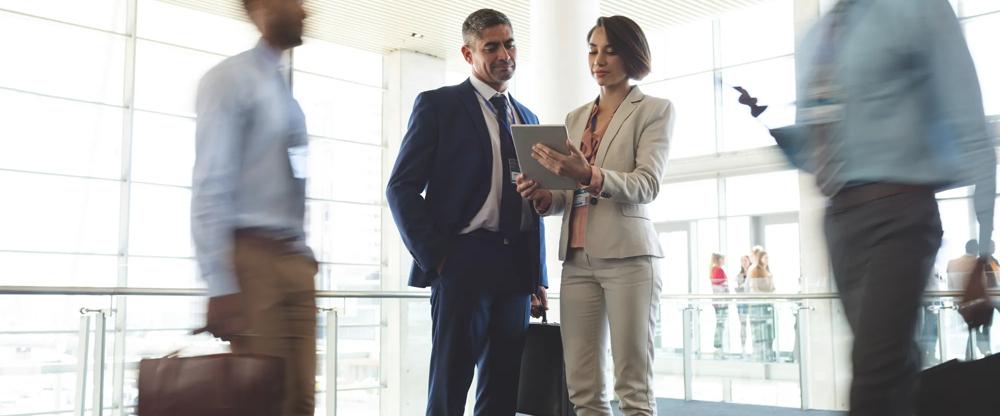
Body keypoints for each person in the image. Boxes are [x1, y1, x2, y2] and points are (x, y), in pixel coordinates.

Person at [738, 1, 996, 414]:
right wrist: (772, 124)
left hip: (900, 214)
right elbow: (819, 145)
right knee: (892, 374)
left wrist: (983, 254)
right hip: (839, 220)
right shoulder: (819, 36)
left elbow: (972, 129)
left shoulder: (919, 9)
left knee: (873, 376)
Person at [385, 9, 547, 416]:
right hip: (461, 262)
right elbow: (401, 187)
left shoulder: (528, 118)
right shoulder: (439, 106)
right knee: (450, 384)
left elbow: (535, 203)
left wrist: (537, 275)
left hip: (514, 269)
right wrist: (438, 257)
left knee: (503, 388)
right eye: (490, 47)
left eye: (509, 43)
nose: (503, 54)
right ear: (467, 53)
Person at [517, 15, 672, 416]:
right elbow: (567, 195)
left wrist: (588, 173)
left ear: (632, 55)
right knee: (582, 388)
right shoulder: (575, 118)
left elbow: (647, 185)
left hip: (629, 259)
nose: (598, 60)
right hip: (577, 260)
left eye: (610, 50)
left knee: (632, 385)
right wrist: (543, 198)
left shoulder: (653, 110)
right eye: (592, 50)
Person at [190, 0, 315, 414]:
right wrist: (220, 284)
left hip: (294, 261)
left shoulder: (282, 89)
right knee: (262, 400)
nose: (305, 10)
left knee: (300, 400)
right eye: (294, 1)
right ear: (260, 7)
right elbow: (211, 183)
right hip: (253, 262)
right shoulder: (230, 80)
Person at [747, 247, 776, 362]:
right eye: (765, 257)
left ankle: (768, 354)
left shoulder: (766, 270)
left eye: (768, 257)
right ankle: (760, 356)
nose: (767, 259)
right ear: (760, 258)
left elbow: (772, 288)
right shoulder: (755, 270)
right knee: (759, 331)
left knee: (769, 331)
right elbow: (755, 288)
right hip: (759, 304)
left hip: (768, 304)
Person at [709, 253, 730, 353]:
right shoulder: (719, 270)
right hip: (721, 301)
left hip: (717, 301)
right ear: (719, 260)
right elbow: (723, 286)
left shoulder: (713, 270)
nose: (724, 261)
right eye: (723, 259)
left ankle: (718, 344)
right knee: (721, 323)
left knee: (719, 322)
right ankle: (718, 344)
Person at [735, 254, 752, 353]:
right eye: (742, 261)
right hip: (742, 302)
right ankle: (743, 347)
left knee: (753, 324)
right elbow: (738, 287)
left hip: (751, 301)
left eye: (745, 260)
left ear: (749, 261)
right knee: (743, 324)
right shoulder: (739, 275)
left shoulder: (753, 273)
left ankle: (755, 346)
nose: (744, 263)